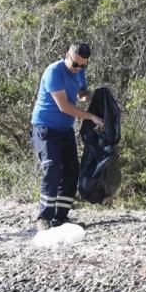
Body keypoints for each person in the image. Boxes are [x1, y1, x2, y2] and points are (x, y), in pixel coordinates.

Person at [30, 43, 104, 231]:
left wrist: (92, 96)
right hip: (46, 127)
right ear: (67, 55)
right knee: (52, 167)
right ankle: (44, 217)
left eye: (83, 65)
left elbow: (80, 94)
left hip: (65, 129)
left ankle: (60, 217)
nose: (78, 68)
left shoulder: (79, 72)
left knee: (72, 170)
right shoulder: (54, 72)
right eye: (75, 64)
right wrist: (91, 116)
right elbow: (65, 107)